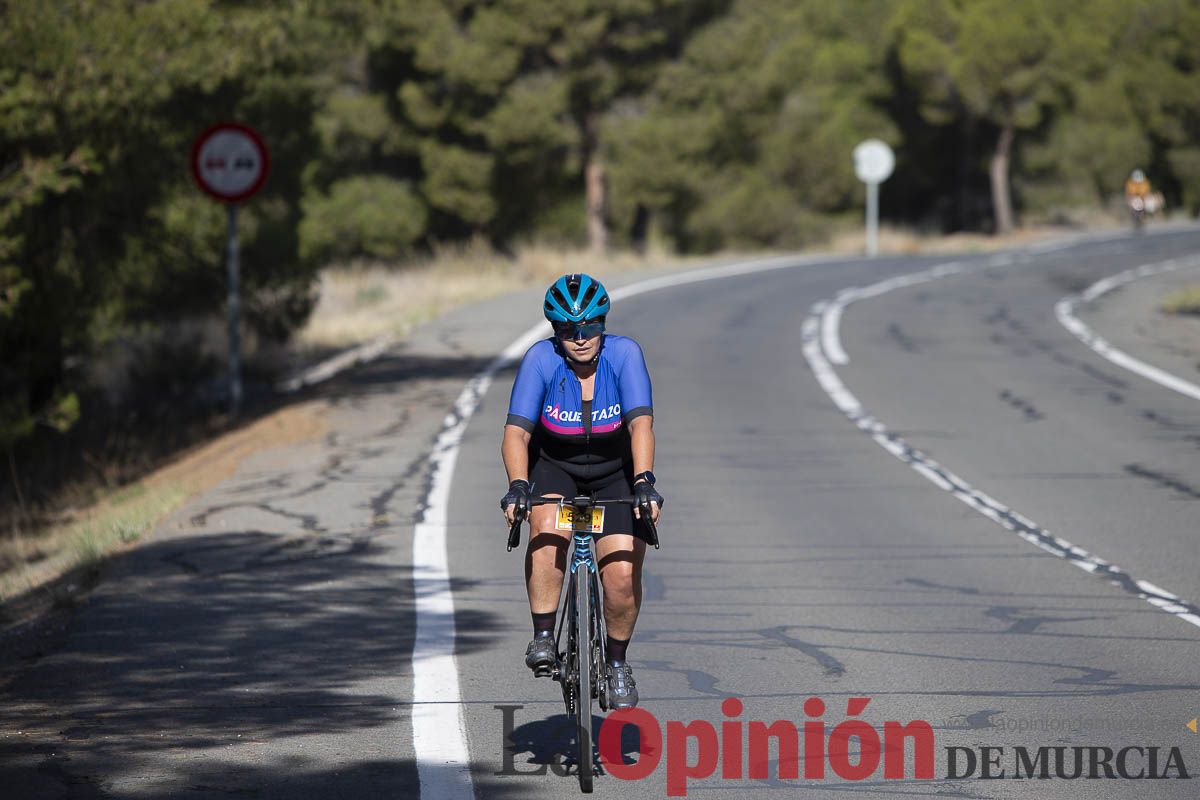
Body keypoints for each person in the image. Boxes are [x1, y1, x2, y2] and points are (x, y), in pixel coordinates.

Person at [500, 273, 663, 709]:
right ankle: (543, 634)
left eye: (590, 326)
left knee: (623, 576)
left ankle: (616, 663)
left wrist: (644, 481)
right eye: (569, 330)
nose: (580, 338)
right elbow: (516, 434)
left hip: (615, 475)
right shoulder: (540, 360)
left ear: (603, 324)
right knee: (549, 526)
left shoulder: (624, 355)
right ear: (555, 332)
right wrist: (518, 486)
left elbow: (639, 424)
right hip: (557, 469)